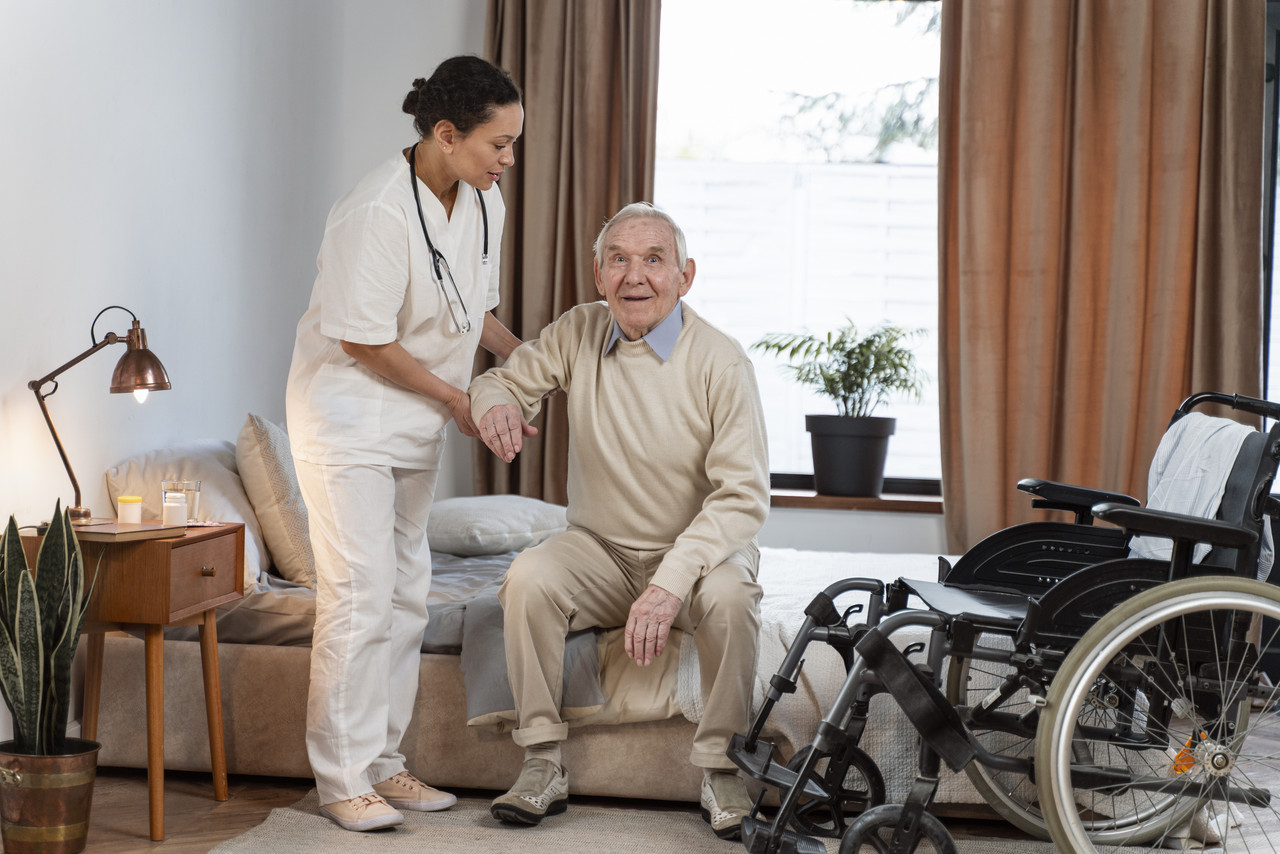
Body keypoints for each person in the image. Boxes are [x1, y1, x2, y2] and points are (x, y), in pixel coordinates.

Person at [468, 202, 770, 840]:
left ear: (685, 275)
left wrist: (670, 583)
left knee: (732, 597)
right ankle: (542, 760)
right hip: (599, 549)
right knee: (528, 578)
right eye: (619, 259)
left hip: (697, 554)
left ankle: (721, 767)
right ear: (599, 274)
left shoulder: (721, 361)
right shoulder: (578, 331)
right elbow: (506, 381)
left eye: (654, 260)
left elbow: (743, 497)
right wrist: (494, 403)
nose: (636, 275)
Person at [285, 55, 524, 833]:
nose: (508, 159)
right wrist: (458, 398)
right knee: (360, 596)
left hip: (415, 421)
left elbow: (472, 310)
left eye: (513, 144)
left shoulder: (483, 200)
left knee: (407, 595)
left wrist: (528, 361)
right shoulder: (376, 210)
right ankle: (341, 777)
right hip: (348, 421)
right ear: (447, 134)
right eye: (498, 144)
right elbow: (363, 340)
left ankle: (384, 762)